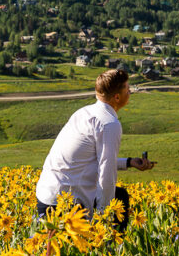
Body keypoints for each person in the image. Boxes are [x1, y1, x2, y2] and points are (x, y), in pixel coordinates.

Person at [35, 69, 153, 231]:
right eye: (127, 88)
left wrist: (129, 162)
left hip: (47, 195)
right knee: (117, 200)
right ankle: (109, 249)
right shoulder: (109, 123)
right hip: (65, 205)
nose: (130, 91)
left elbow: (86, 158)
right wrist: (103, 218)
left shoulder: (84, 113)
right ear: (117, 97)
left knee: (119, 195)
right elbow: (106, 174)